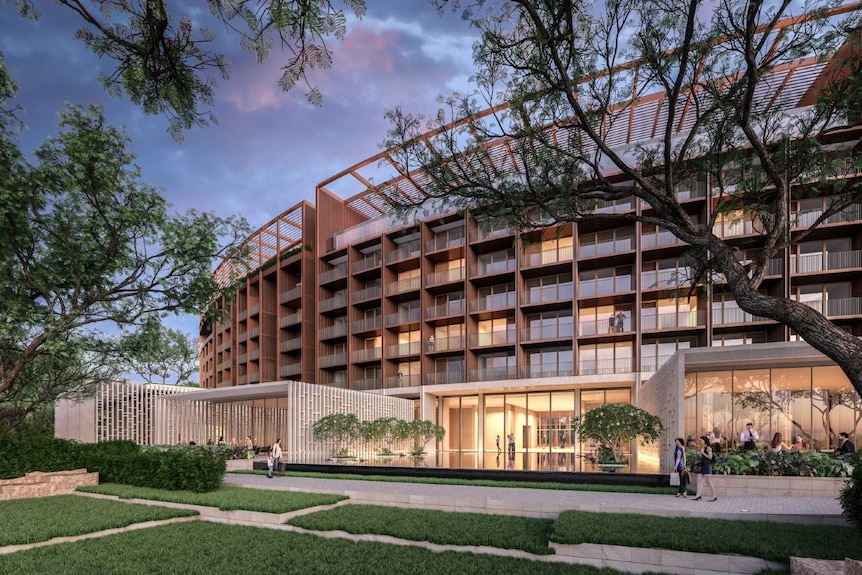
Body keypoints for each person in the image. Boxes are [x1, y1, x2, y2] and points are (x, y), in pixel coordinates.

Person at [692, 435, 717, 502]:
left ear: (704, 440)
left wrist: (703, 453)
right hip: (703, 466)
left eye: (701, 440)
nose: (700, 441)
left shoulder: (708, 448)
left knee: (708, 482)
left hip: (707, 466)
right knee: (699, 480)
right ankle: (698, 495)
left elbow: (710, 457)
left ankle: (714, 496)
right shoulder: (703, 448)